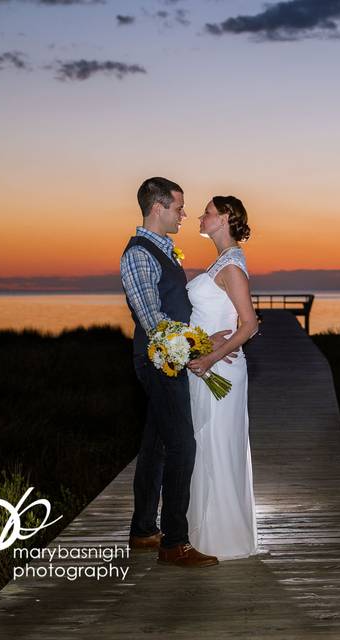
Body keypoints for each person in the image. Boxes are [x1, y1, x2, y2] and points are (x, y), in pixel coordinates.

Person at [120, 177, 231, 568]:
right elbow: (153, 320)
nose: (184, 214)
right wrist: (189, 351)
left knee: (155, 445)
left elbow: (173, 314)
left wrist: (203, 341)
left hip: (172, 353)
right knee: (183, 445)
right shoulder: (138, 254)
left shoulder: (163, 250)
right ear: (157, 207)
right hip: (159, 360)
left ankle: (143, 529)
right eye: (178, 207)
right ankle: (175, 542)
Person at [185, 195, 263, 559]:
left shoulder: (232, 266)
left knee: (217, 443)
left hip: (221, 371)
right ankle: (202, 532)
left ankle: (224, 538)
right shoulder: (221, 262)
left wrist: (211, 357)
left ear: (226, 218)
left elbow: (248, 324)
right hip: (205, 364)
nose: (201, 217)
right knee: (205, 444)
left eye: (208, 213)